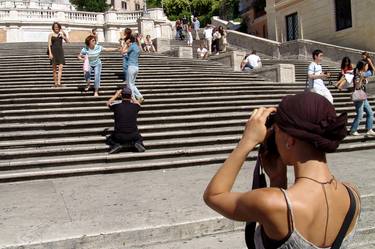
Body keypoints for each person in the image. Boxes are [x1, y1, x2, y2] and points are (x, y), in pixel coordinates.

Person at [204, 92, 361, 249]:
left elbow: (214, 196)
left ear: (290, 140)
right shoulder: (353, 194)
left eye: (277, 130)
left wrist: (247, 141)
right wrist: (278, 180)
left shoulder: (272, 203)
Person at [106, 87, 145, 154]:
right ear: (130, 96)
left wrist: (116, 94)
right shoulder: (135, 106)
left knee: (109, 139)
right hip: (133, 135)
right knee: (139, 138)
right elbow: (139, 104)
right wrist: (132, 98)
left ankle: (116, 145)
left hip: (119, 136)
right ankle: (137, 143)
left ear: (121, 95)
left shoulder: (116, 106)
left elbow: (108, 103)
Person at [349, 61, 375, 137]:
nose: (367, 67)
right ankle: (353, 130)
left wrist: (364, 78)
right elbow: (357, 87)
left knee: (370, 113)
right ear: (363, 66)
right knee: (360, 115)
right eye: (366, 66)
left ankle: (369, 129)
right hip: (359, 97)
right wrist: (361, 78)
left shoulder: (362, 74)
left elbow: (364, 84)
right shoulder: (358, 75)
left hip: (363, 96)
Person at [122, 34, 144, 103]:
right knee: (132, 84)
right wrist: (139, 41)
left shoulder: (132, 46)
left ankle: (132, 99)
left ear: (130, 41)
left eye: (128, 41)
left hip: (131, 67)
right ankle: (140, 97)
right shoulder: (137, 47)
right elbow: (141, 52)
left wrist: (125, 43)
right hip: (136, 67)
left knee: (129, 84)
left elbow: (122, 52)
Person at [48, 22, 69, 87]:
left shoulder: (60, 35)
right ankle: (55, 83)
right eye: (55, 27)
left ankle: (59, 83)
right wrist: (50, 53)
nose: (56, 28)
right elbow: (49, 45)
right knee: (54, 69)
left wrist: (63, 35)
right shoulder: (51, 35)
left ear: (59, 28)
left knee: (60, 68)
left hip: (60, 52)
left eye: (57, 27)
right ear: (53, 28)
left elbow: (68, 41)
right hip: (53, 52)